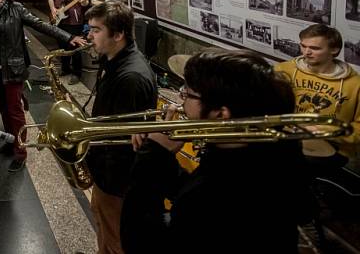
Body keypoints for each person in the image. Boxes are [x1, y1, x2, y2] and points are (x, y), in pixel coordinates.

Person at [122, 49, 313, 253]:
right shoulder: (269, 148)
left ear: (221, 114)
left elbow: (139, 242)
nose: (182, 102)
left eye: (188, 94)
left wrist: (150, 159)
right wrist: (164, 159)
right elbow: (188, 187)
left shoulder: (218, 193)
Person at [0, 0, 86, 172]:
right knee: (3, 109)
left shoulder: (16, 9)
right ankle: (10, 141)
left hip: (12, 70)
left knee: (15, 111)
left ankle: (20, 151)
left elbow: (42, 25)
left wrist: (69, 37)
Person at [83, 1, 157, 254]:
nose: (89, 35)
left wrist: (100, 174)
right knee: (104, 229)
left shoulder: (131, 78)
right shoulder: (114, 60)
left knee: (117, 241)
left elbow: (123, 142)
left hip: (116, 181)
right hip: (105, 173)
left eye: (95, 30)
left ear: (118, 34)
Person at [274, 24, 360, 162]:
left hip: (333, 146)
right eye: (303, 45)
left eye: (315, 48)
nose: (306, 52)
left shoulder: (355, 84)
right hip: (288, 136)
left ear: (334, 49)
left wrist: (326, 131)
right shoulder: (284, 69)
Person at [48, 0, 89, 85]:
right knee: (62, 45)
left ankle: (77, 73)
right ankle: (65, 68)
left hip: (75, 21)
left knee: (76, 47)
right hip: (61, 20)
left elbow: (85, 3)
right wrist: (53, 9)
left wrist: (84, 0)